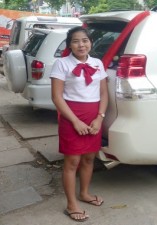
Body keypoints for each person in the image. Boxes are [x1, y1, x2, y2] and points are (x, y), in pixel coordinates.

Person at [50, 26, 108, 222]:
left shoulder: (97, 63)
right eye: (75, 41)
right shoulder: (61, 64)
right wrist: (75, 121)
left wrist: (99, 117)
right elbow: (57, 98)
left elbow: (103, 94)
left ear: (90, 42)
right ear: (69, 45)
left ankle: (84, 193)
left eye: (84, 40)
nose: (81, 44)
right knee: (72, 162)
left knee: (89, 159)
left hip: (93, 116)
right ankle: (71, 203)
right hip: (70, 116)